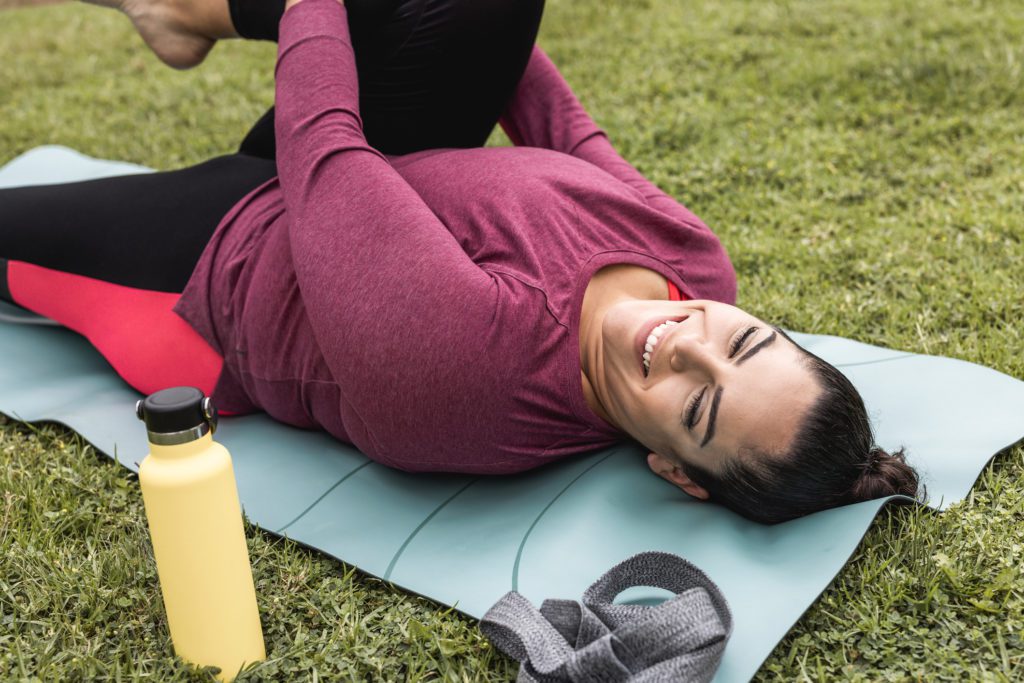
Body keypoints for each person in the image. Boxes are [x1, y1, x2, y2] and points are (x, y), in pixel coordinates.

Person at [0, 0, 920, 523]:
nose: (686, 341)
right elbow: (564, 133)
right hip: (376, 185)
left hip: (214, 265)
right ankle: (178, 11)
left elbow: (322, 149)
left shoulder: (476, 377)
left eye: (697, 401)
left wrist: (301, 2)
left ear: (676, 469)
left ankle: (178, 8)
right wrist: (482, 26)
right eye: (745, 343)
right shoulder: (697, 269)